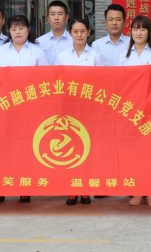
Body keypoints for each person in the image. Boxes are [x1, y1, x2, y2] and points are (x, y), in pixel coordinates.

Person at [0, 14, 49, 204]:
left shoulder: (37, 52)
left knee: (25, 148)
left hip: (30, 108)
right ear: (9, 31)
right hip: (5, 108)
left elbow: (46, 79)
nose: (17, 32)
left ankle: (24, 186)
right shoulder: (0, 52)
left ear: (28, 30)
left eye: (21, 28)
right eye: (14, 29)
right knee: (2, 147)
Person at [118, 15, 151, 207]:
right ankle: (137, 191)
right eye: (135, 29)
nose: (138, 33)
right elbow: (119, 83)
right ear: (130, 32)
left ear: (149, 32)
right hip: (130, 111)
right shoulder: (124, 55)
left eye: (143, 29)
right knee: (134, 152)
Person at [55, 17, 103, 206]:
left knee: (87, 147)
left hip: (89, 108)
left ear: (88, 33)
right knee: (71, 148)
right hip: (68, 107)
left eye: (83, 31)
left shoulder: (95, 56)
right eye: (75, 31)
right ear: (70, 34)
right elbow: (57, 81)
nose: (79, 35)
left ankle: (85, 189)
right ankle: (71, 189)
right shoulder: (62, 56)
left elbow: (100, 82)